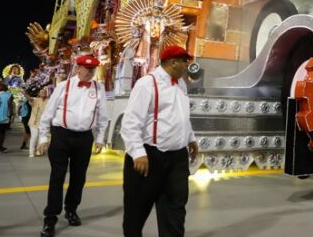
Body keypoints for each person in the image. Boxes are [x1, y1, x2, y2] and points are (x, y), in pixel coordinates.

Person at [121, 45, 199, 237]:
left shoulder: (180, 84)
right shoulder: (147, 83)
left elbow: (181, 116)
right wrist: (138, 153)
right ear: (173, 62)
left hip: (177, 159)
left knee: (175, 210)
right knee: (137, 211)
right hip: (150, 157)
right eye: (184, 61)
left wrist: (191, 138)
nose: (187, 65)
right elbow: (130, 122)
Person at [37, 55, 109, 237]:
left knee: (79, 177)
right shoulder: (63, 86)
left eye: (93, 69)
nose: (90, 72)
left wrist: (100, 138)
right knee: (57, 177)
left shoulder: (98, 88)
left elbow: (103, 116)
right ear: (77, 69)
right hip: (61, 135)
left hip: (84, 138)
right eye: (87, 68)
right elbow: (48, 113)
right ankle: (50, 218)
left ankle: (71, 209)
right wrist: (43, 138)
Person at [28, 87, 50, 157]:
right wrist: (24, 94)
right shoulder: (35, 100)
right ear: (39, 94)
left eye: (45, 92)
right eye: (42, 92)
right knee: (34, 136)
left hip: (44, 123)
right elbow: (30, 99)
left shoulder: (49, 101)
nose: (43, 93)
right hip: (34, 122)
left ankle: (39, 151)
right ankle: (31, 152)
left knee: (41, 137)